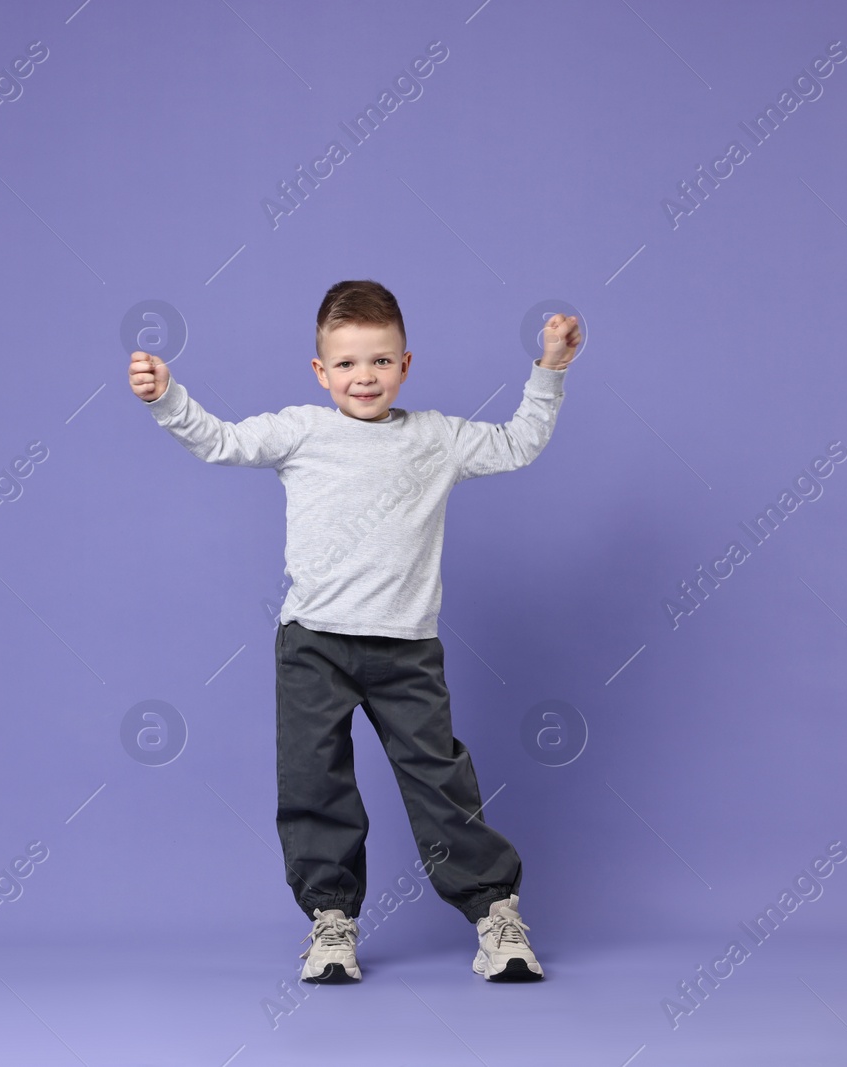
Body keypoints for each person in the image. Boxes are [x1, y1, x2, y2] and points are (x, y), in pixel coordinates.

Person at [127, 279, 578, 983]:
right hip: (313, 644)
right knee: (314, 780)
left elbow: (519, 443)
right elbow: (220, 442)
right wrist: (167, 399)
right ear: (320, 371)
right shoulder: (300, 430)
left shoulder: (436, 437)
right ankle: (331, 920)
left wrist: (549, 369)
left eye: (379, 361)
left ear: (405, 364)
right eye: (346, 364)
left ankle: (495, 911)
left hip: (406, 647)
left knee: (440, 780)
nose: (363, 377)